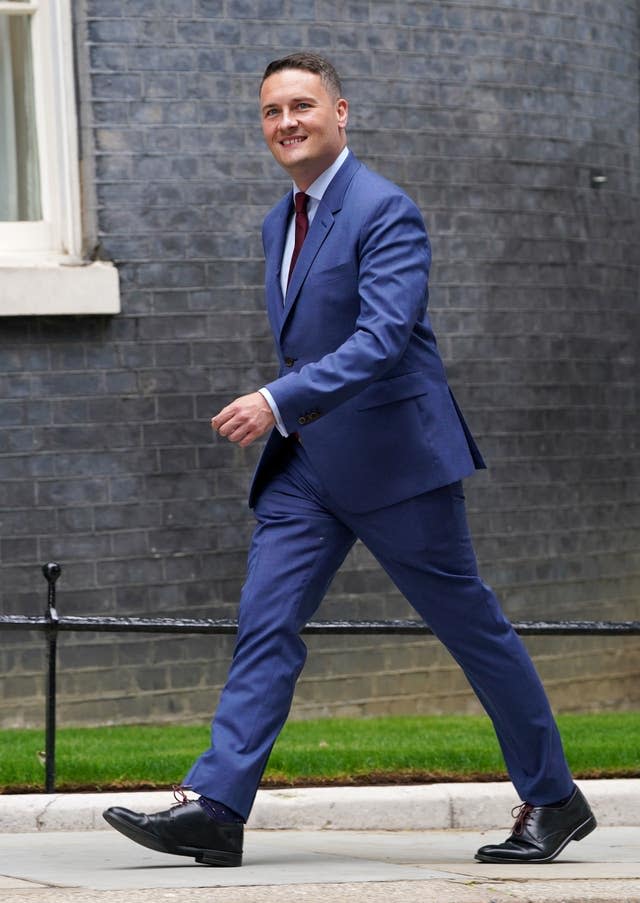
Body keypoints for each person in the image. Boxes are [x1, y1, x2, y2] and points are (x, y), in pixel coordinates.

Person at [104, 51, 596, 868]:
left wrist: (276, 400)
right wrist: (290, 411)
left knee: (471, 629)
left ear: (341, 113)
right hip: (307, 468)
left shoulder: (384, 210)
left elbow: (382, 338)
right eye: (271, 112)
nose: (286, 122)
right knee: (265, 620)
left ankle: (553, 797)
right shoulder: (279, 221)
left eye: (302, 105)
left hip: (395, 461)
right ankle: (219, 806)